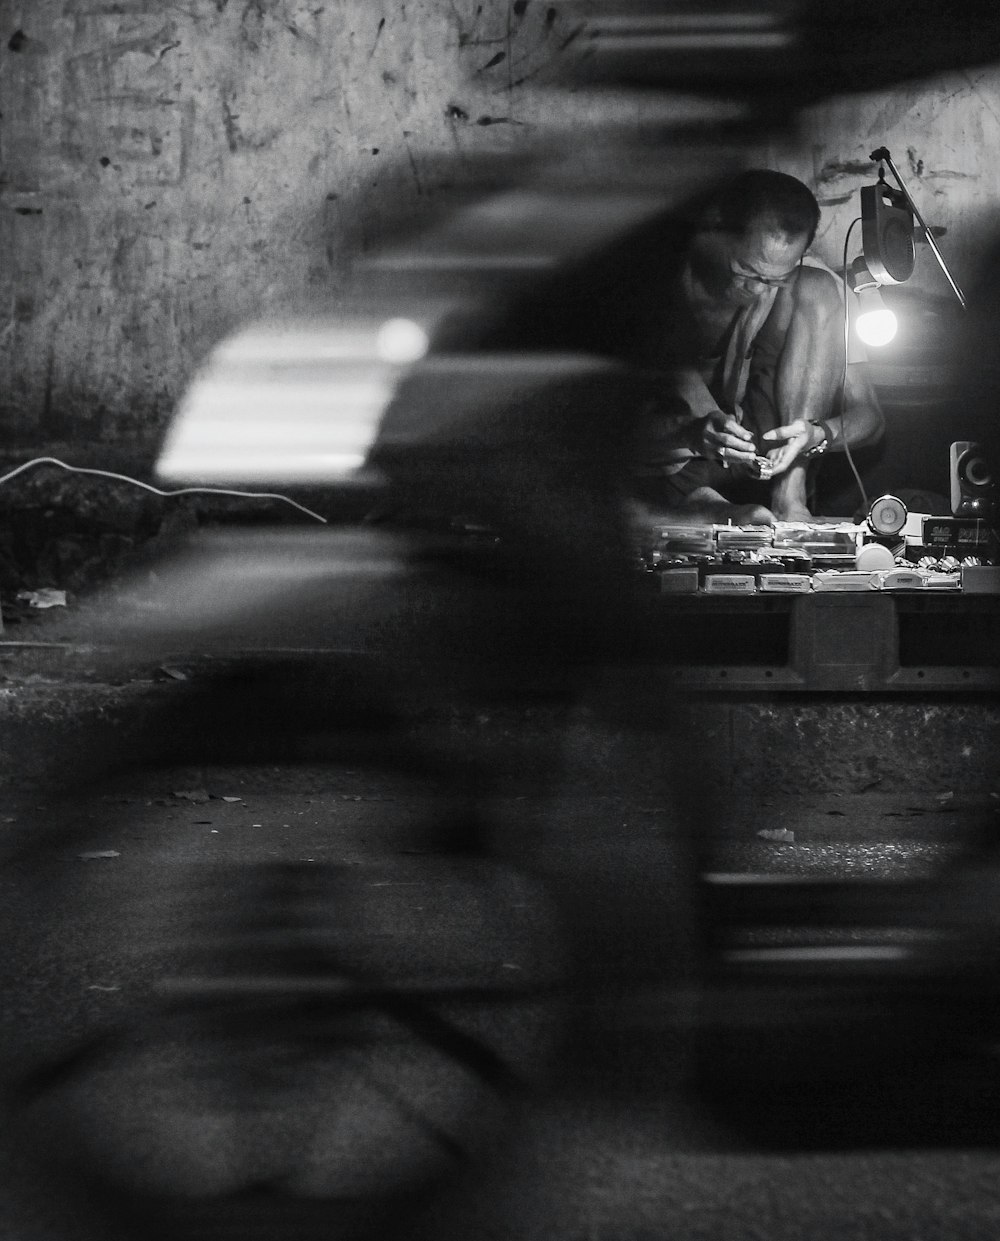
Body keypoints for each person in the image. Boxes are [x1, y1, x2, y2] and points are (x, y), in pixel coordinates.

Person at [630, 169, 885, 523]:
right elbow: (588, 431)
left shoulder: (804, 283)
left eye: (774, 279)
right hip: (662, 461)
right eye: (746, 271)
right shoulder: (655, 279)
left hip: (755, 464)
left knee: (816, 291)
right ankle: (698, 503)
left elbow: (870, 420)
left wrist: (815, 434)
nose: (759, 290)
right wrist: (688, 433)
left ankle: (790, 499)